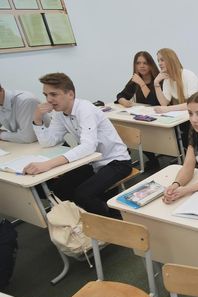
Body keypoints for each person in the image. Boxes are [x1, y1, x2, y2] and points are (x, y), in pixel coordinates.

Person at [24, 73, 131, 218]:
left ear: (70, 94)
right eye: (46, 95)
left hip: (116, 162)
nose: (49, 100)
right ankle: (89, 215)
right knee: (59, 188)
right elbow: (49, 142)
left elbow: (88, 147)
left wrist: (49, 164)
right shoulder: (60, 113)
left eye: (54, 94)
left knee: (83, 194)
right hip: (92, 162)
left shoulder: (84, 108)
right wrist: (37, 118)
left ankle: (115, 221)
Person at [153, 48, 198, 113]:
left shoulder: (189, 75)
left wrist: (168, 109)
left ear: (171, 60)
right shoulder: (167, 78)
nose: (159, 63)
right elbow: (164, 103)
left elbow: (191, 104)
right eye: (158, 61)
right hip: (185, 114)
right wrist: (156, 83)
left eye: (162, 60)